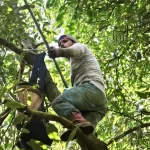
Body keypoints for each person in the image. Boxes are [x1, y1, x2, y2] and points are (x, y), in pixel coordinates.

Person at [48, 34, 107, 141]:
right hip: (100, 106)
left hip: (91, 89)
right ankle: (81, 126)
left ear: (73, 42)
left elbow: (76, 50)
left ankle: (78, 122)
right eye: (60, 45)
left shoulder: (80, 46)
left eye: (65, 41)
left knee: (59, 102)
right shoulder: (75, 62)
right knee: (85, 133)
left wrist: (59, 52)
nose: (62, 44)